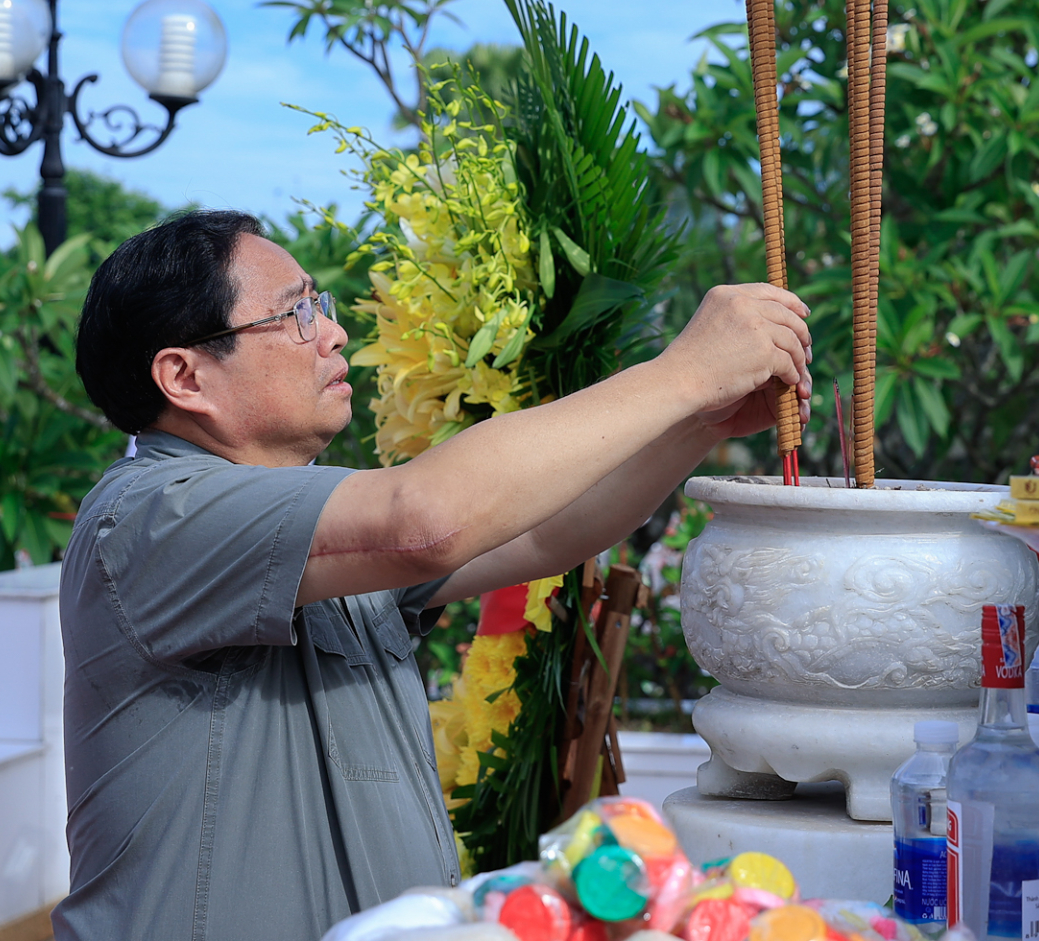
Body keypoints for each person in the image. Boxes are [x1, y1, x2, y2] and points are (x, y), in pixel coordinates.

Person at [55, 211, 811, 941]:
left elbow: (546, 531)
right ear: (184, 377)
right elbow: (428, 522)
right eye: (294, 315)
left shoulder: (312, 521)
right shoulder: (150, 515)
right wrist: (682, 374)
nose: (332, 331)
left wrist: (700, 420)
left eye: (319, 304)